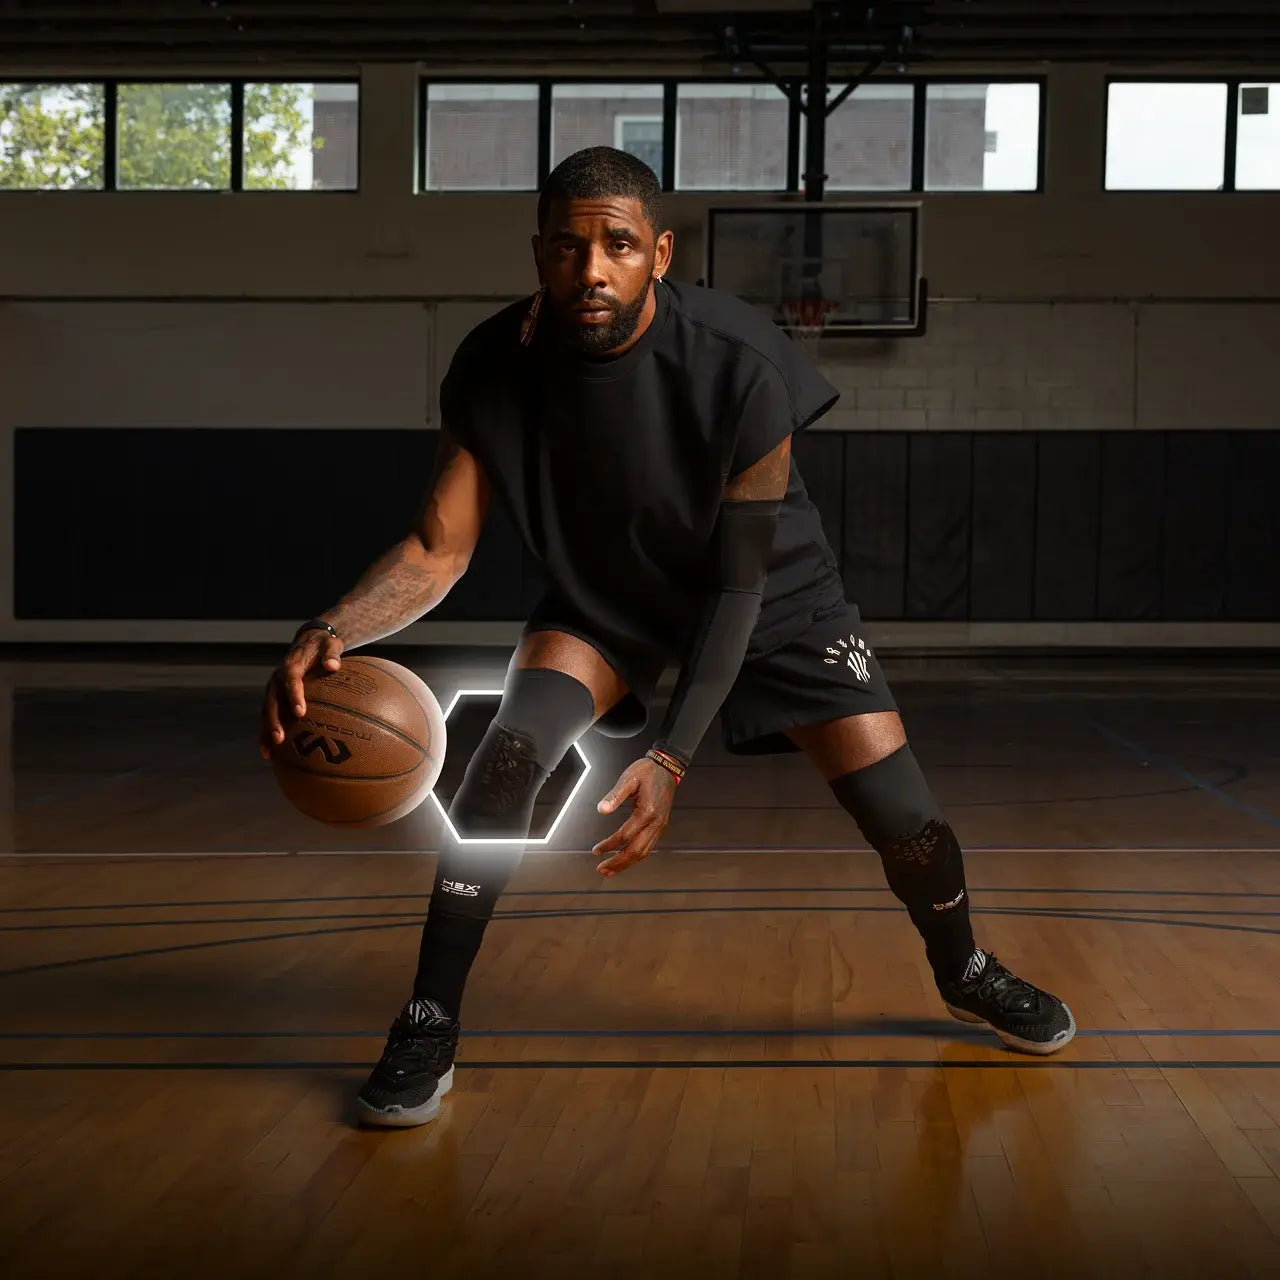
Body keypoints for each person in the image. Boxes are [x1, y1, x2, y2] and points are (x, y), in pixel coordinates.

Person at [260, 146, 1075, 1128]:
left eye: (615, 244)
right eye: (567, 246)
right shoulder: (492, 363)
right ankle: (428, 1013)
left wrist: (671, 757)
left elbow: (735, 584)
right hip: (603, 601)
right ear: (538, 252)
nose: (590, 268)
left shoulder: (742, 362)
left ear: (658, 250)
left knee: (904, 814)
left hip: (774, 596)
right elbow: (439, 546)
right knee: (504, 763)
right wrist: (332, 625)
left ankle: (965, 967)